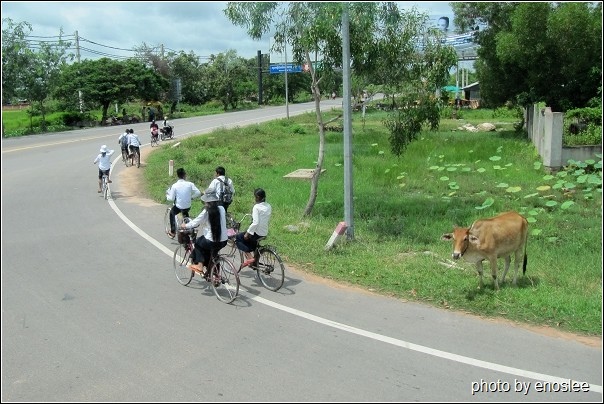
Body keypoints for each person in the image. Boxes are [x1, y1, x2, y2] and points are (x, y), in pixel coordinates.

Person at [180, 191, 228, 274]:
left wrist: (185, 226)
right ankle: (214, 273)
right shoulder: (222, 209)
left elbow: (195, 223)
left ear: (206, 202)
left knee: (198, 243)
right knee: (213, 253)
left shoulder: (206, 212)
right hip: (224, 240)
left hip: (211, 241)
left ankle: (200, 265)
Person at [235, 188, 272, 267]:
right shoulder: (268, 206)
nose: (254, 198)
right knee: (252, 243)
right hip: (264, 232)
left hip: (256, 232)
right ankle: (254, 262)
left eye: (255, 197)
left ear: (258, 197)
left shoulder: (256, 207)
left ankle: (250, 258)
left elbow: (255, 222)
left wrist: (248, 233)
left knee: (238, 238)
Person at [166, 167, 201, 237]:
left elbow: (171, 198)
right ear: (185, 175)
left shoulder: (175, 186)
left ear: (177, 175)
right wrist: (191, 197)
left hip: (179, 206)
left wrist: (167, 196)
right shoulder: (190, 184)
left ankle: (173, 232)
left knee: (172, 213)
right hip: (188, 206)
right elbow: (198, 192)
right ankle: (189, 227)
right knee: (185, 214)